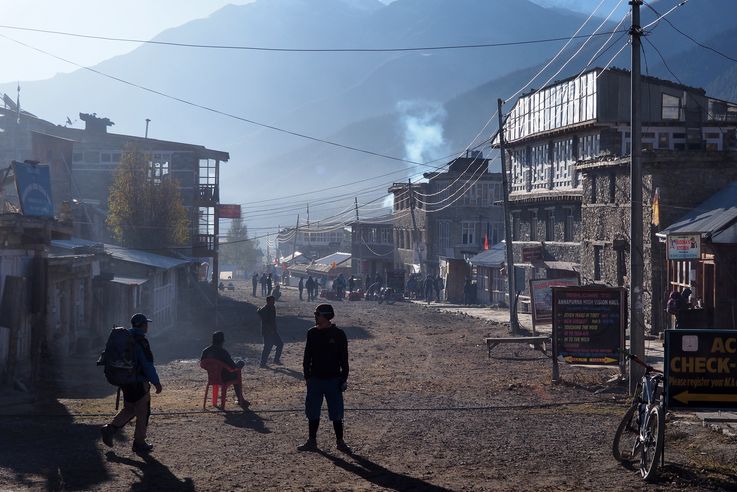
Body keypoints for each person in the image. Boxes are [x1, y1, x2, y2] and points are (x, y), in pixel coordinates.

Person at [101, 313, 162, 453]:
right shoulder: (140, 341)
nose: (147, 326)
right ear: (142, 325)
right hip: (138, 382)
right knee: (143, 412)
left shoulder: (125, 338)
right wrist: (156, 382)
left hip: (124, 381)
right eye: (146, 324)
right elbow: (147, 364)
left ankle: (110, 429)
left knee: (129, 408)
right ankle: (139, 442)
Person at [298, 304, 351, 453]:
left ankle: (340, 442)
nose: (315, 317)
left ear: (326, 316)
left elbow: (344, 359)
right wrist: (307, 376)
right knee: (312, 411)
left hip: (333, 380)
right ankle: (312, 441)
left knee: (336, 413)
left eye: (317, 314)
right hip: (315, 379)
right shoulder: (312, 333)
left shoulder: (339, 334)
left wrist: (344, 378)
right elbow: (307, 356)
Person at [200, 331, 249, 408]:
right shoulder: (223, 352)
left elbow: (202, 364)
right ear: (222, 341)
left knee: (235, 370)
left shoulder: (205, 351)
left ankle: (217, 401)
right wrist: (240, 364)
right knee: (238, 371)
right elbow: (233, 367)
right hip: (224, 378)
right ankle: (240, 399)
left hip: (212, 377)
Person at [258, 296, 283, 367]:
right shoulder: (265, 310)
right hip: (267, 332)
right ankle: (262, 364)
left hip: (273, 331)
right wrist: (271, 330)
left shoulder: (272, 308)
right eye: (272, 301)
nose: (274, 302)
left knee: (280, 344)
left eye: (274, 301)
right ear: (268, 301)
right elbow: (265, 322)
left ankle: (276, 360)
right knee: (267, 347)